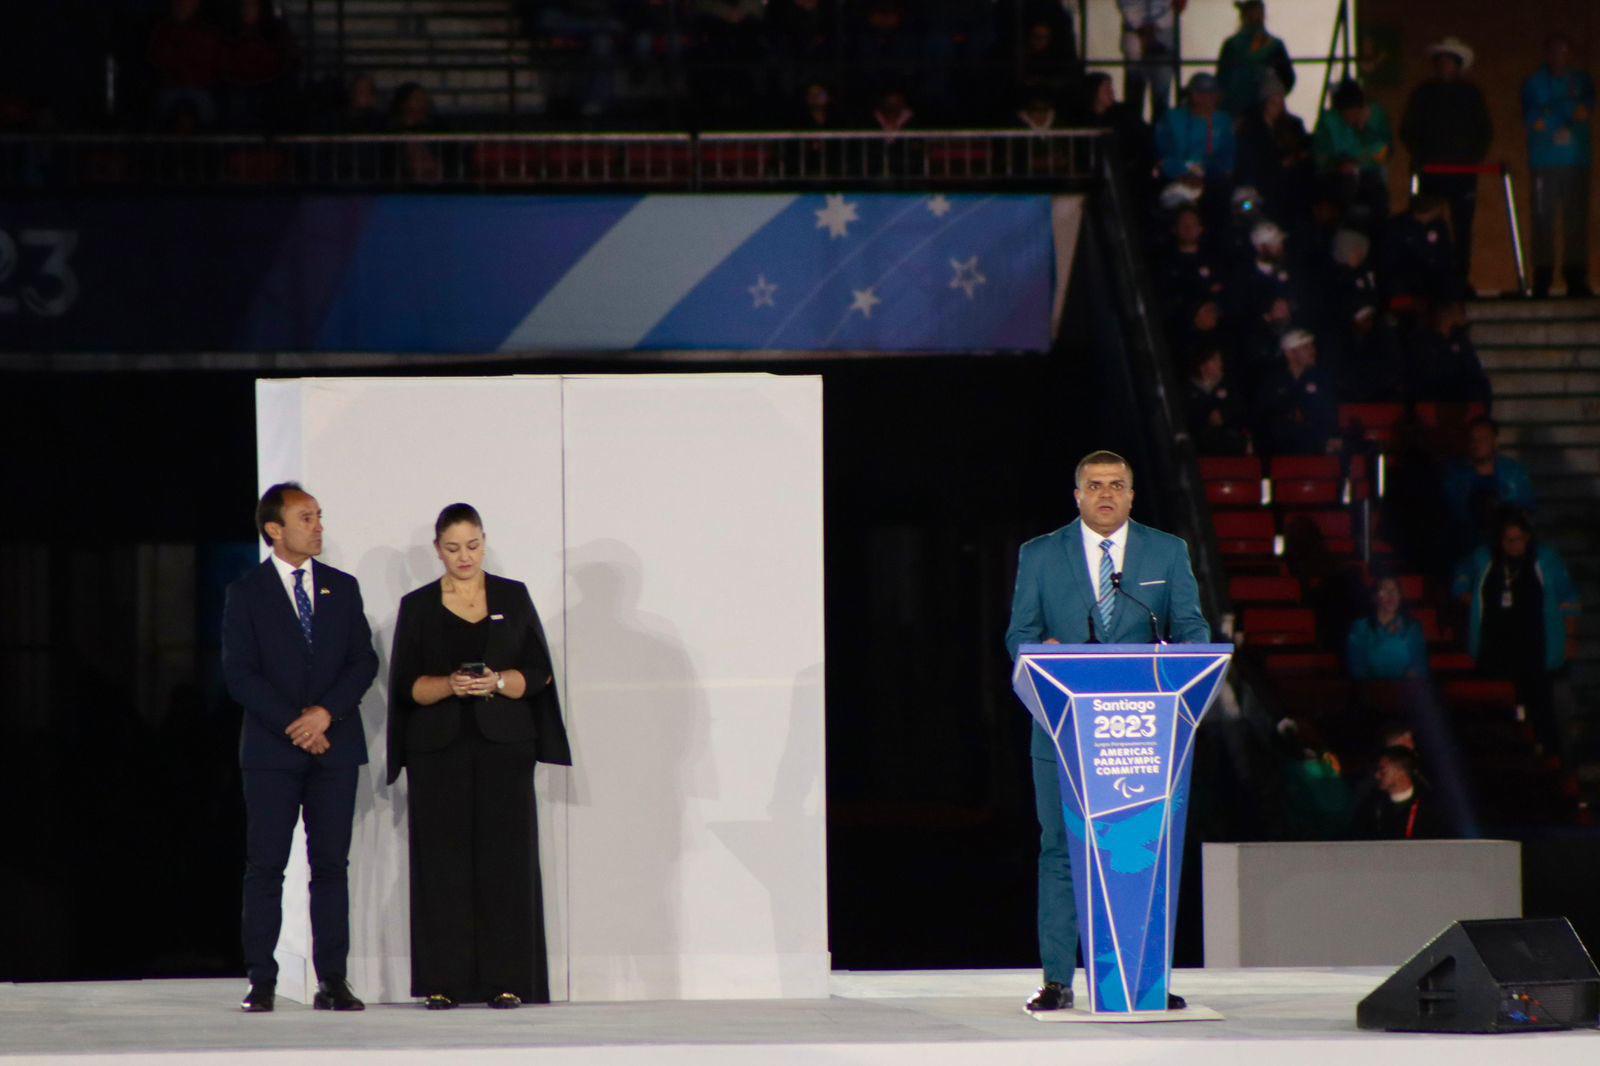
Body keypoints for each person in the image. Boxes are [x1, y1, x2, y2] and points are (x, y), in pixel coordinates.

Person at [1005, 450, 1210, 1013]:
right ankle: (1055, 979)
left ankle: (1141, 983)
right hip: (1062, 732)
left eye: (1117, 485)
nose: (1105, 495)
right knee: (1060, 850)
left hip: (1142, 734)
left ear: (1132, 494)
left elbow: (1193, 629)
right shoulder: (1040, 555)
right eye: (1094, 486)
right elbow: (1018, 635)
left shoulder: (1167, 553)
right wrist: (1038, 655)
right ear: (1077, 495)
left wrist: (1178, 658)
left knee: (1139, 849)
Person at [387, 503, 572, 1009]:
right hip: (438, 750)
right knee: (441, 862)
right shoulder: (419, 605)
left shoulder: (513, 597)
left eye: (472, 545)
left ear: (485, 542)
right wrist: (450, 684)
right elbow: (404, 687)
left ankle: (508, 979)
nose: (464, 556)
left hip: (505, 747)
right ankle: (443, 982)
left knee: (505, 861)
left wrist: (498, 681)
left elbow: (539, 673)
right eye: (452, 548)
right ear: (437, 549)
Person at [221, 482, 379, 1013]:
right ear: (274, 529)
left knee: (331, 865)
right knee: (266, 866)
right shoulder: (245, 593)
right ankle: (261, 979)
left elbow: (364, 661)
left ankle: (332, 980)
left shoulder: (343, 587)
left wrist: (324, 715)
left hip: (335, 747)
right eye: (306, 518)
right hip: (272, 753)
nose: (318, 526)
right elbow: (239, 675)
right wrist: (296, 723)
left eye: (319, 516)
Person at [1454, 509, 1581, 756]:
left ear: (1528, 537)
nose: (1513, 545)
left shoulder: (1546, 560)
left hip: (1535, 648)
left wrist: (1570, 636)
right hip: (1495, 648)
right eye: (1507, 539)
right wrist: (1467, 598)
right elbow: (1461, 578)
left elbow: (1568, 599)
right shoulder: (1484, 558)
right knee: (1499, 709)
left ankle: (1548, 756)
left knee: (1541, 709)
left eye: (1518, 538)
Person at [1400, 37, 1492, 290]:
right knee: (1427, 223)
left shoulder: (1471, 94)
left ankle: (1461, 278)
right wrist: (1422, 157)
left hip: (1463, 172)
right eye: (1440, 61)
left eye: (1449, 61)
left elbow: (1484, 131)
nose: (1444, 66)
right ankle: (1428, 279)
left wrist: (1471, 158)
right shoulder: (1423, 94)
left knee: (1462, 227)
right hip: (1431, 171)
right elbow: (1408, 129)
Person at [1522, 33, 1595, 298]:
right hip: (1544, 162)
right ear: (1546, 54)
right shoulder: (1534, 83)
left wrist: (1552, 114)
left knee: (1576, 220)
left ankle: (1576, 276)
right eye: (1553, 52)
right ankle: (1542, 276)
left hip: (1576, 162)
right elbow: (1533, 118)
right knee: (1543, 218)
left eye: (1563, 52)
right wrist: (1564, 115)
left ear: (1570, 54)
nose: (1558, 58)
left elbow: (1585, 110)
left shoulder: (1581, 80)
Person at [1441, 417, 1537, 547]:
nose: (1476, 444)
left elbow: (1526, 512)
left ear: (1495, 442)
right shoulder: (1454, 475)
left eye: (1483, 439)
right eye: (1473, 439)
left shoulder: (1514, 473)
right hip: (1465, 548)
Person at [1234, 72, 1312, 228]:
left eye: (1281, 101)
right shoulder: (1250, 128)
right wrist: (1277, 165)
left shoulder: (1294, 125)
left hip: (1290, 180)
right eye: (1273, 102)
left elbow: (1305, 150)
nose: (1278, 106)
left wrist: (1293, 159)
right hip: (1263, 180)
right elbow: (1249, 159)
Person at [1313, 79, 1393, 228]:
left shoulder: (1375, 118)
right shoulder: (1329, 122)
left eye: (1355, 112)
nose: (1351, 117)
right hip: (1338, 179)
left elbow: (1384, 151)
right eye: (1347, 114)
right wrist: (1338, 164)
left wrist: (1365, 129)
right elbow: (1320, 154)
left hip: (1370, 178)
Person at [1251, 329, 1339, 456]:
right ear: (1290, 353)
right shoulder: (1273, 381)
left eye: (1312, 346)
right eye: (1305, 347)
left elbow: (1329, 416)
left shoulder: (1321, 379)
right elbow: (1264, 416)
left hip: (1315, 447)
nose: (1312, 351)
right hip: (1280, 448)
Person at [1155, 73, 1236, 209]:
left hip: (1210, 182)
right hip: (1177, 182)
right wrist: (1183, 172)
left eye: (1212, 95)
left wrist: (1203, 172)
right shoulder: (1172, 118)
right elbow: (1162, 155)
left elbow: (1227, 160)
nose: (1208, 100)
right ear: (1193, 95)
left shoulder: (1223, 121)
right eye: (1203, 94)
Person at [1216, 1, 1294, 119]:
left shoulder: (1274, 45)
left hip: (1262, 107)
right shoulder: (1232, 45)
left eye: (1259, 13)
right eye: (1254, 13)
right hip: (1238, 108)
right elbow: (1222, 79)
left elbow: (1287, 78)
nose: (1257, 17)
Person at [1406, 300, 1490, 410]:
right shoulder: (1421, 340)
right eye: (1461, 311)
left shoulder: (1460, 340)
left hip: (1458, 393)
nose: (1465, 315)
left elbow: (1472, 368)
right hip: (1432, 393)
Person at [1347, 576, 1429, 681]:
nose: (1391, 595)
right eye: (1384, 590)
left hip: (1405, 691)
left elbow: (1419, 665)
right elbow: (1357, 667)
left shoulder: (1412, 627)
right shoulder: (1360, 627)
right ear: (1374, 597)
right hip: (1370, 691)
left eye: (1394, 590)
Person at [1117, 0, 1185, 121]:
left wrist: (1147, 27)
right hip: (1143, 37)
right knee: (1135, 101)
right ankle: (1137, 135)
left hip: (1157, 37)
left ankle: (1155, 136)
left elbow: (1179, 5)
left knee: (1158, 101)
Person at [1357, 745, 1443, 839]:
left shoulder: (1430, 807)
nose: (1377, 776)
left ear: (1401, 771)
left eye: (1382, 770)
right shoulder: (1372, 807)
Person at [1184, 346, 1251, 455]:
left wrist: (1225, 414)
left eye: (1219, 360)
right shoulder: (1189, 392)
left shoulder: (1229, 385)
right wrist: (1208, 418)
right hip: (1204, 453)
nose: (1220, 364)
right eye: (1214, 360)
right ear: (1202, 365)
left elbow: (1241, 408)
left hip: (1236, 448)